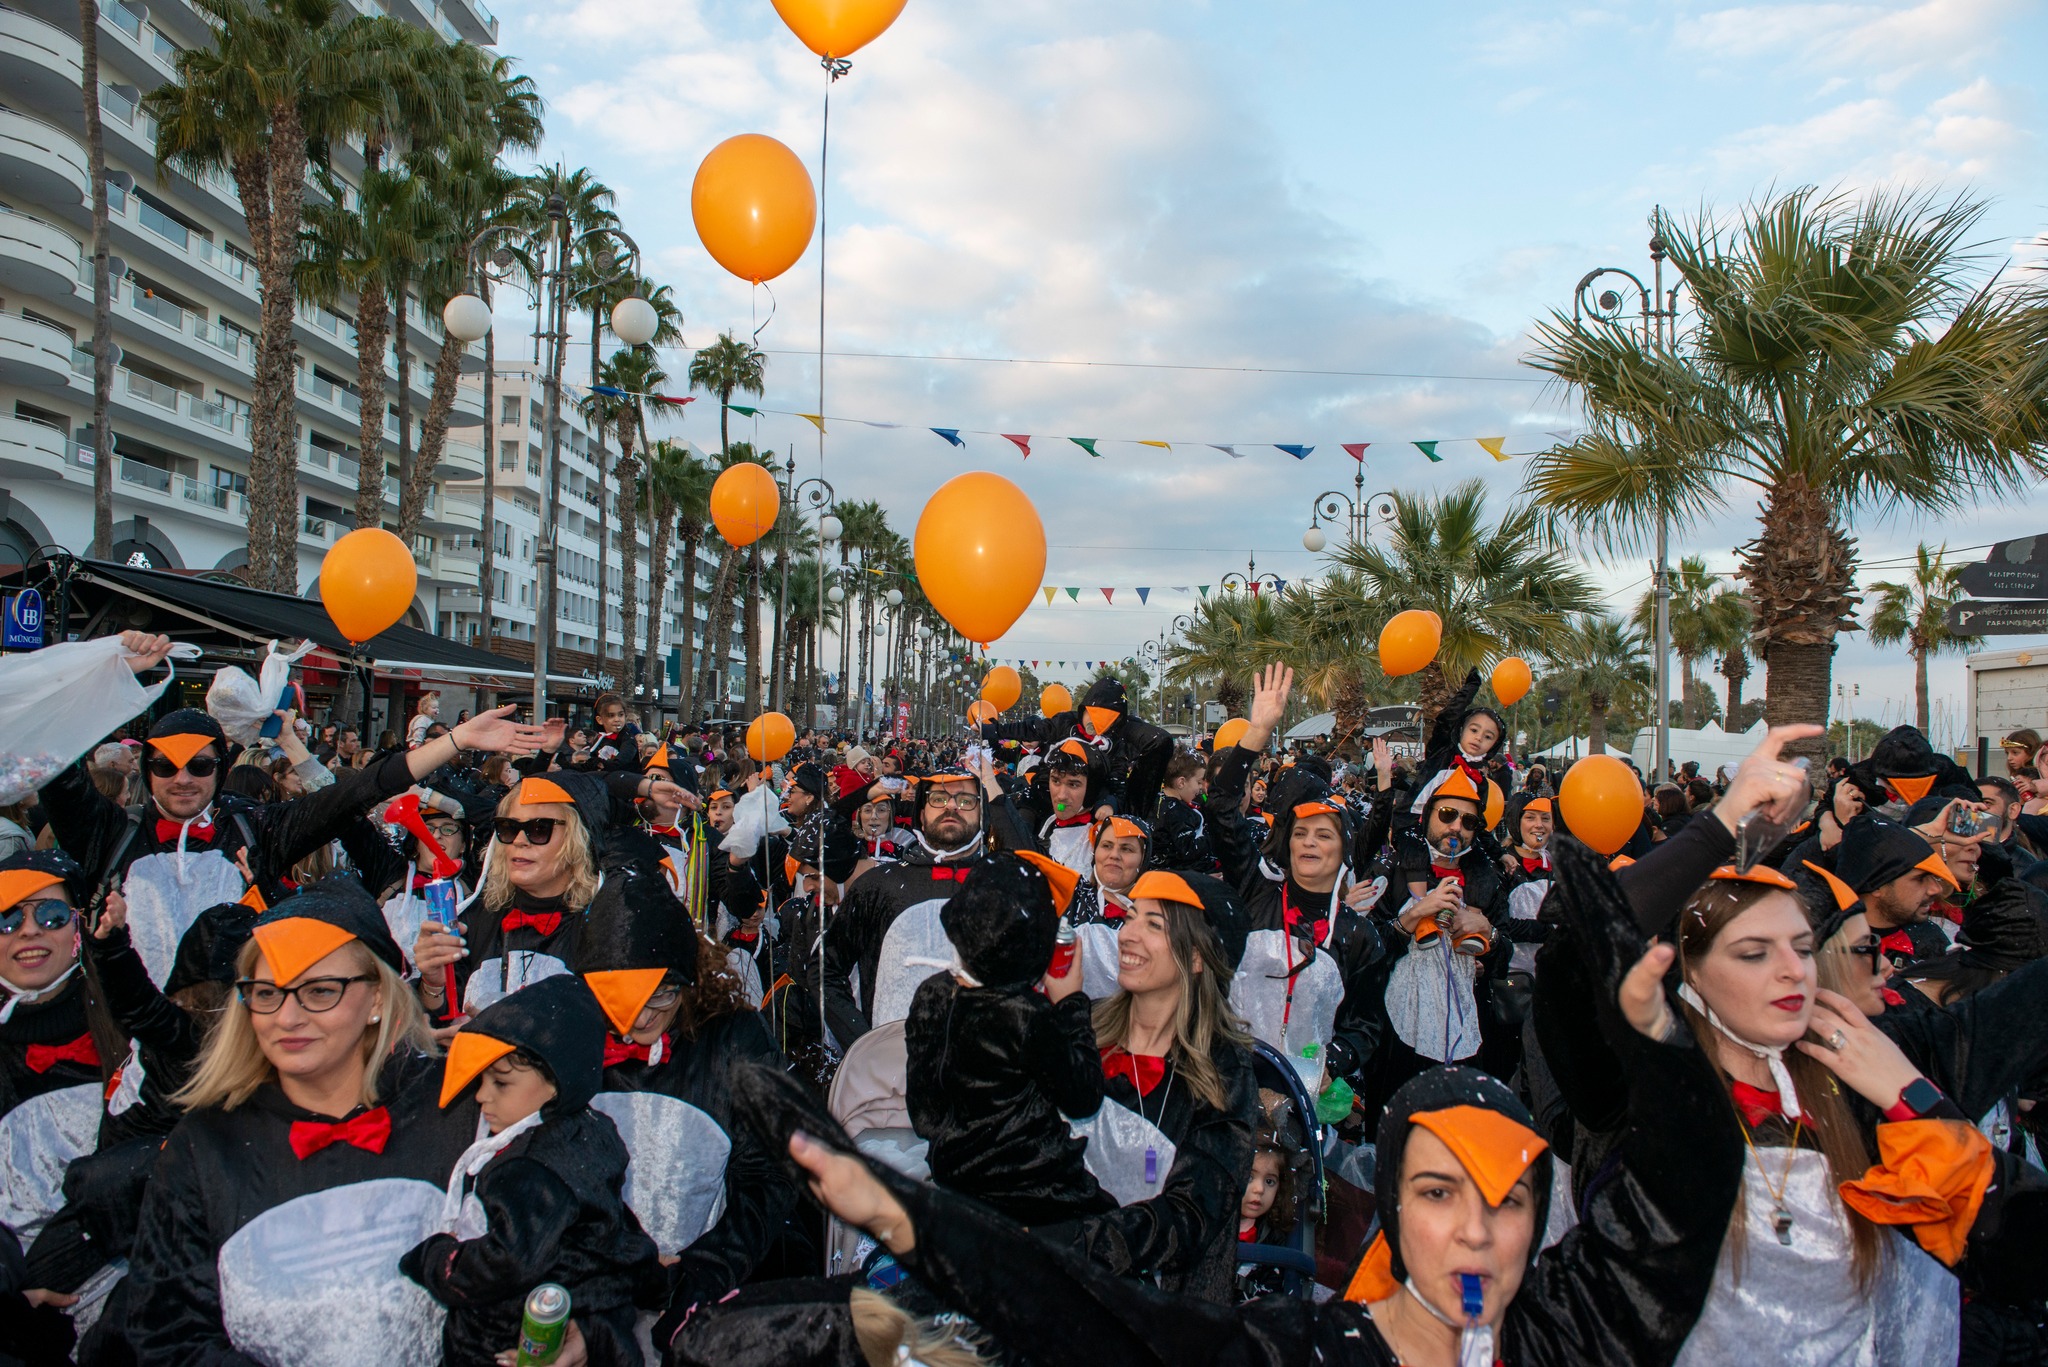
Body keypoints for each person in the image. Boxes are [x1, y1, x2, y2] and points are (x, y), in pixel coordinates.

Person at [718, 832, 1749, 1367]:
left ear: (1199, 952)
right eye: (1438, 1191)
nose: (1475, 1229)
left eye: (1156, 919)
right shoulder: (1065, 1041)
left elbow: (1677, 1199)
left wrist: (1641, 1004)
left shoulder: (1241, 1087)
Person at [41, 636, 551, 989]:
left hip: (244, 1052)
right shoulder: (111, 833)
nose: (182, 778)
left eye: (198, 764)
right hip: (129, 1061)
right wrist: (111, 673)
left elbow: (355, 794)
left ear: (220, 767)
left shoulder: (255, 829)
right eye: (163, 764)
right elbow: (52, 761)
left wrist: (459, 739)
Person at [124, 884, 492, 1365]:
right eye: (267, 993)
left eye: (320, 991)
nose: (287, 1017)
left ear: (378, 998)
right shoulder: (205, 1146)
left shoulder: (463, 1106)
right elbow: (168, 1333)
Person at [573, 866, 796, 1351]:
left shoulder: (735, 1038)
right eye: (626, 1002)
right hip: (590, 1304)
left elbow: (773, 1174)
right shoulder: (573, 1042)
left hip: (701, 1298)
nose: (645, 1015)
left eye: (665, 993)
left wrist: (710, 1266)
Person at [403, 973, 659, 1367]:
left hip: (506, 1336)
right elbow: (614, 1230)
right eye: (482, 1079)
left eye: (501, 1082)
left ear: (555, 1083)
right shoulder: (592, 1129)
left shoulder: (529, 1168)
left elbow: (506, 1262)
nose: (481, 1095)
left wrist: (436, 1259)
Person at [1206, 666, 1391, 1108]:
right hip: (1230, 1085)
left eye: (1324, 834)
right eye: (1301, 832)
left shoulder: (1361, 936)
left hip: (1306, 1100)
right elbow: (1221, 808)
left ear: (1343, 848)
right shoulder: (1256, 890)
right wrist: (1257, 732)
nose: (1309, 842)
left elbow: (1366, 1024)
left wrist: (1335, 1060)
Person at [906, 852, 1112, 1226]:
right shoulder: (1026, 1013)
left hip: (954, 1184)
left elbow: (925, 1115)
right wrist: (1071, 1003)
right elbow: (1084, 1097)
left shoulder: (930, 993)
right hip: (1039, 1195)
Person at [824, 761, 1030, 1045]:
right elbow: (825, 968)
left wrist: (993, 789)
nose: (952, 806)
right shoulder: (878, 885)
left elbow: (1035, 867)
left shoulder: (1004, 887)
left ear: (982, 814)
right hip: (893, 1070)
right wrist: (863, 1042)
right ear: (921, 812)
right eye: (939, 798)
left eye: (966, 800)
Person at [982, 677, 1176, 821]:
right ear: (1083, 711)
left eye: (1107, 720)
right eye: (1093, 716)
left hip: (1089, 808)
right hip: (1045, 794)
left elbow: (1118, 777)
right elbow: (1032, 729)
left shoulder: (1116, 743)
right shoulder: (1065, 722)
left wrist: (1110, 802)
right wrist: (997, 730)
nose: (1096, 725)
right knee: (1023, 819)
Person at [1152, 752, 1218, 876]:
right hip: (1182, 876)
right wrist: (1213, 834)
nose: (1201, 788)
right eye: (1198, 782)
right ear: (1181, 782)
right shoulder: (1177, 812)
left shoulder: (1158, 802)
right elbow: (1189, 849)